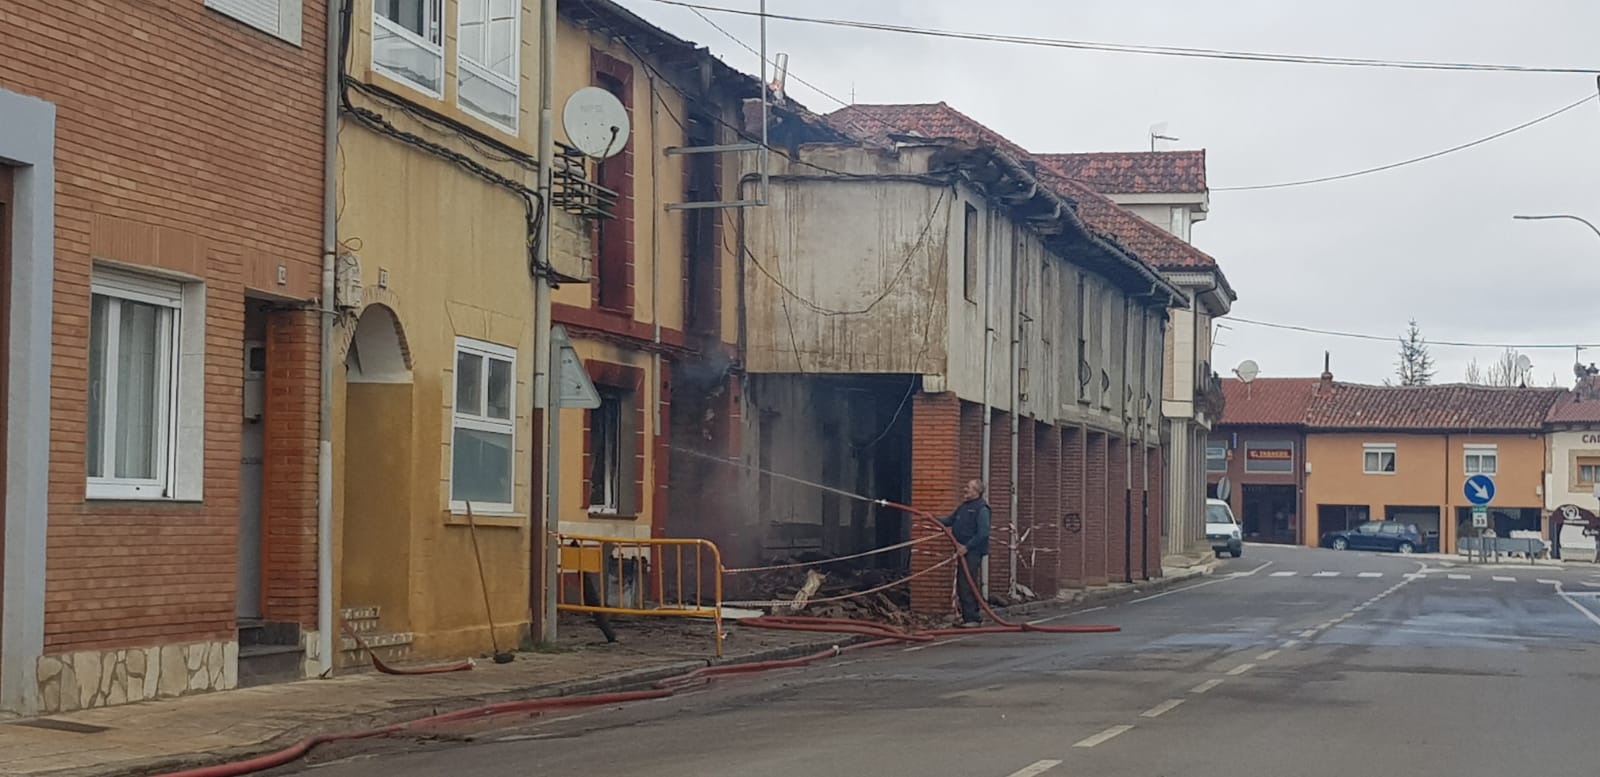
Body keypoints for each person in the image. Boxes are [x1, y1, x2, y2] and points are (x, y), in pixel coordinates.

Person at [940, 479, 991, 627]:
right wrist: (931, 518)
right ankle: (967, 616)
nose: (965, 489)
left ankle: (972, 618)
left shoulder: (982, 509)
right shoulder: (963, 507)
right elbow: (949, 520)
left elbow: (983, 533)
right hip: (963, 550)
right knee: (964, 582)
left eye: (968, 488)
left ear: (976, 491)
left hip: (972, 552)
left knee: (966, 583)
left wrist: (967, 547)